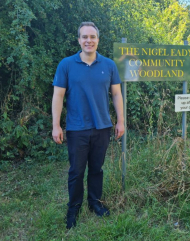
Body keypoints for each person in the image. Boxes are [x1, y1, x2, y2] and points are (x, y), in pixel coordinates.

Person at [52, 22, 125, 229]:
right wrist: (56, 125)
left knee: (96, 168)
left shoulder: (109, 65)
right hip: (77, 128)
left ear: (98, 40)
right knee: (76, 171)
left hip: (102, 126)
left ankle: (95, 203)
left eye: (92, 37)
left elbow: (117, 94)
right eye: (84, 37)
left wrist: (120, 121)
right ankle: (73, 208)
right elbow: (58, 95)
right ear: (78, 40)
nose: (88, 40)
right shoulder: (66, 64)